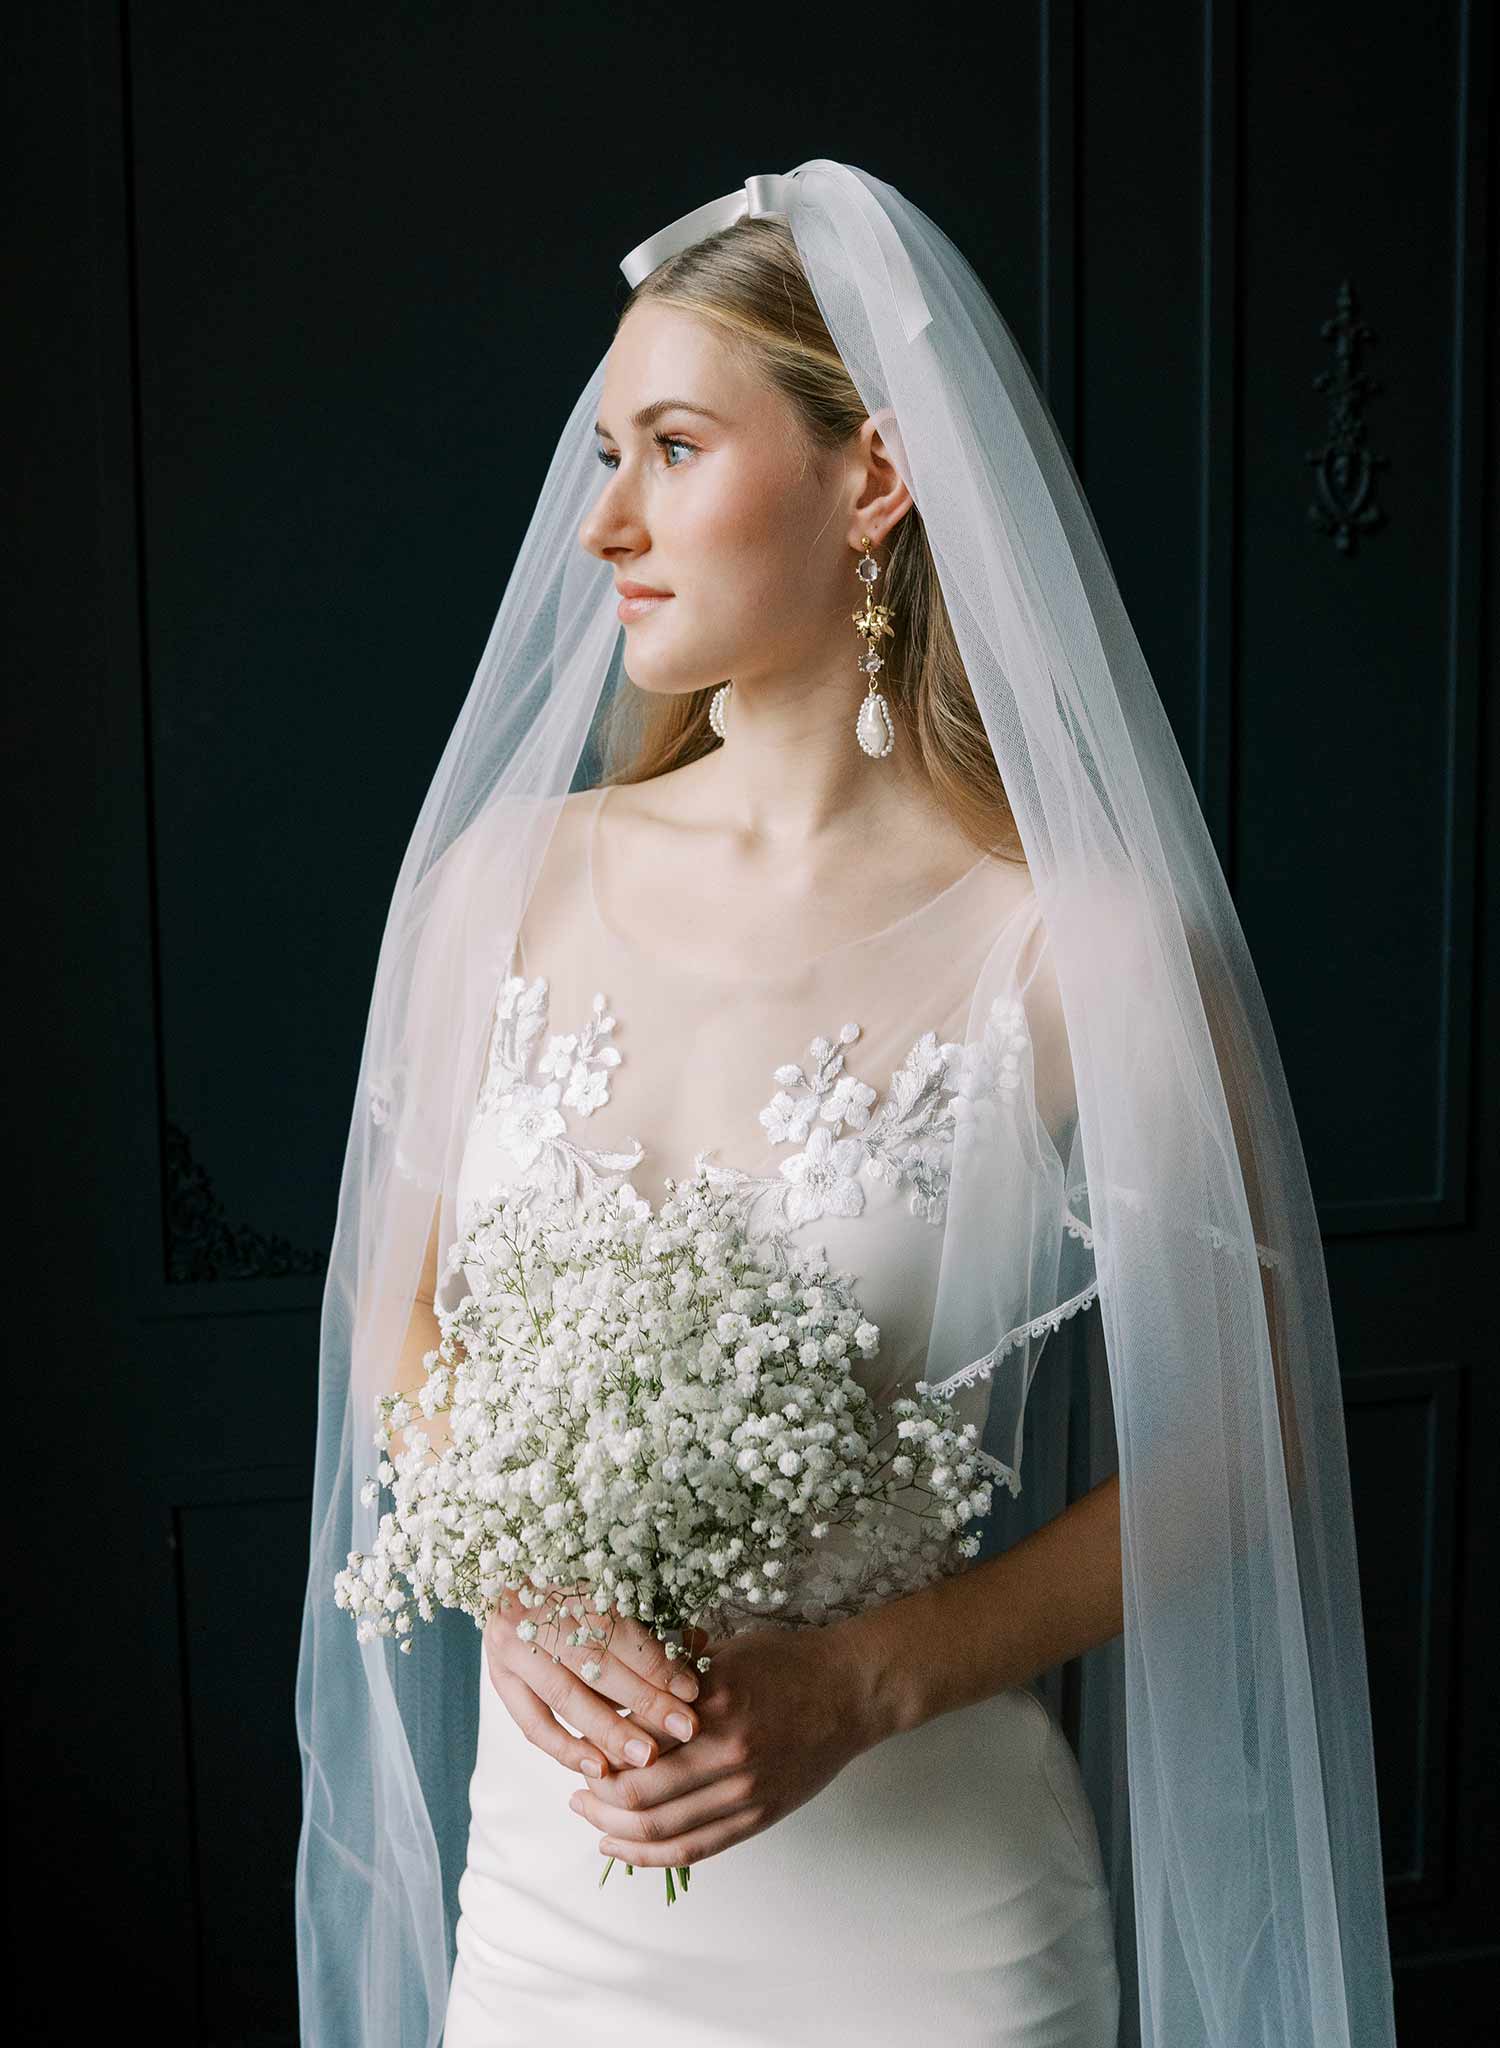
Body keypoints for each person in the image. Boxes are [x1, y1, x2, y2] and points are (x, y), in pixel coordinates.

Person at [295, 162, 1397, 2048]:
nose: (605, 527)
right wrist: (513, 1585)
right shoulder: (496, 882)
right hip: (553, 1913)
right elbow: (394, 1311)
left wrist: (866, 1685)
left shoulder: (1086, 948)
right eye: (601, 456)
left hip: (929, 1934)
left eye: (673, 447)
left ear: (870, 480)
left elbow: (1259, 1440)